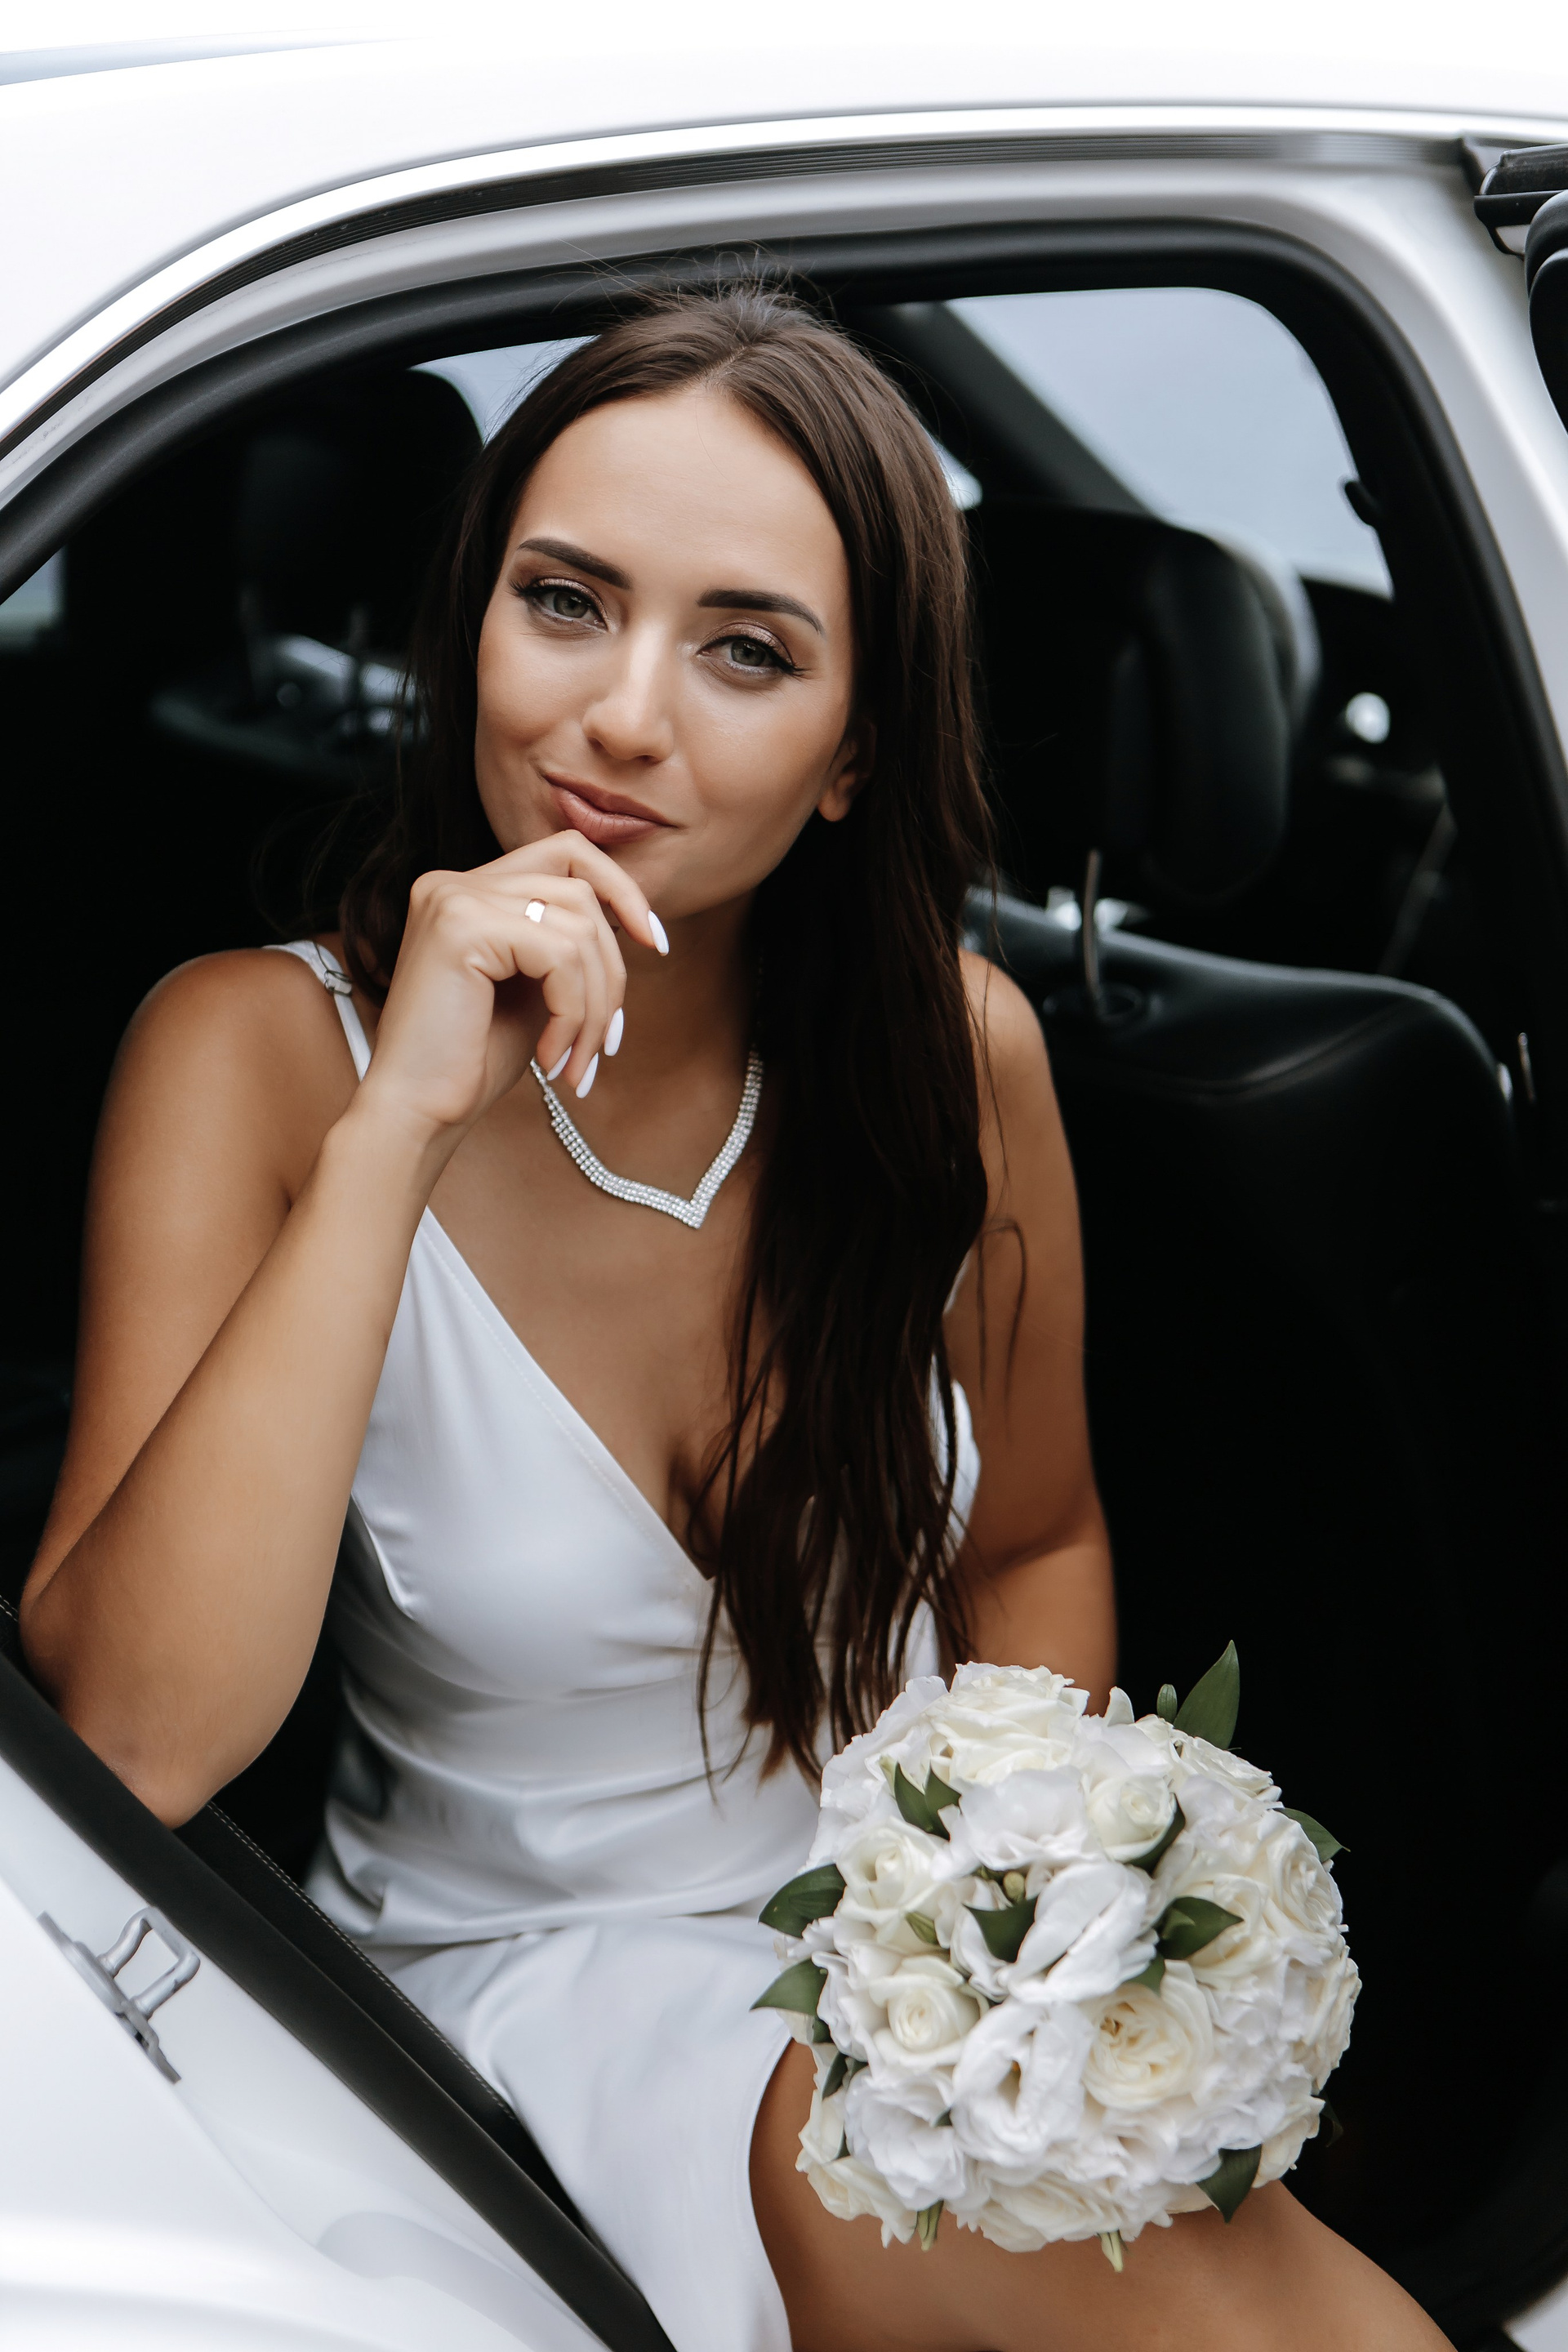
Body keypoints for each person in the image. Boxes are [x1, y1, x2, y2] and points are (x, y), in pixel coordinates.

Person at [20, 287, 1446, 2352]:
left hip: (894, 1979)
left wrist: (1015, 1930)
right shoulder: (250, 1055)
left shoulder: (958, 1054)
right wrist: (401, 1122)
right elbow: (140, 1741)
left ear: (855, 753)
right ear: (472, 623)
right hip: (514, 2013)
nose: (620, 717)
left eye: (746, 649)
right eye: (566, 603)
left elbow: (1033, 1542)